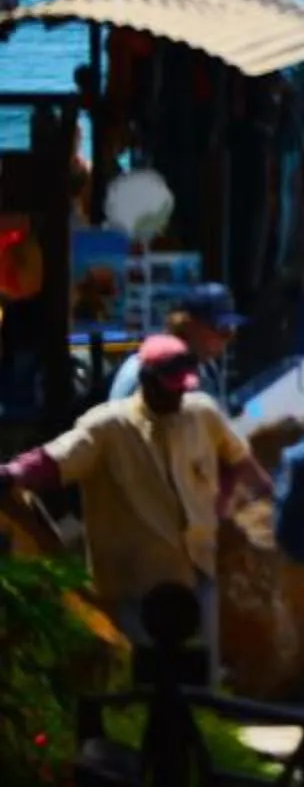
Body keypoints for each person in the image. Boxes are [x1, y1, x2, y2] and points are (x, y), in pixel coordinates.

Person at [0, 337, 268, 676]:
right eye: (169, 389)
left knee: (199, 673)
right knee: (142, 676)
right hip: (134, 581)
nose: (177, 396)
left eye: (182, 389)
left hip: (196, 568)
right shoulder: (108, 426)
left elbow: (238, 460)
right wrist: (12, 474)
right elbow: (55, 459)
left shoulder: (201, 412)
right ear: (146, 380)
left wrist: (223, 504)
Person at [108, 283, 245, 406]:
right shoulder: (142, 371)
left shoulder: (207, 368)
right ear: (189, 325)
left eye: (230, 332)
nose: (225, 341)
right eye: (222, 330)